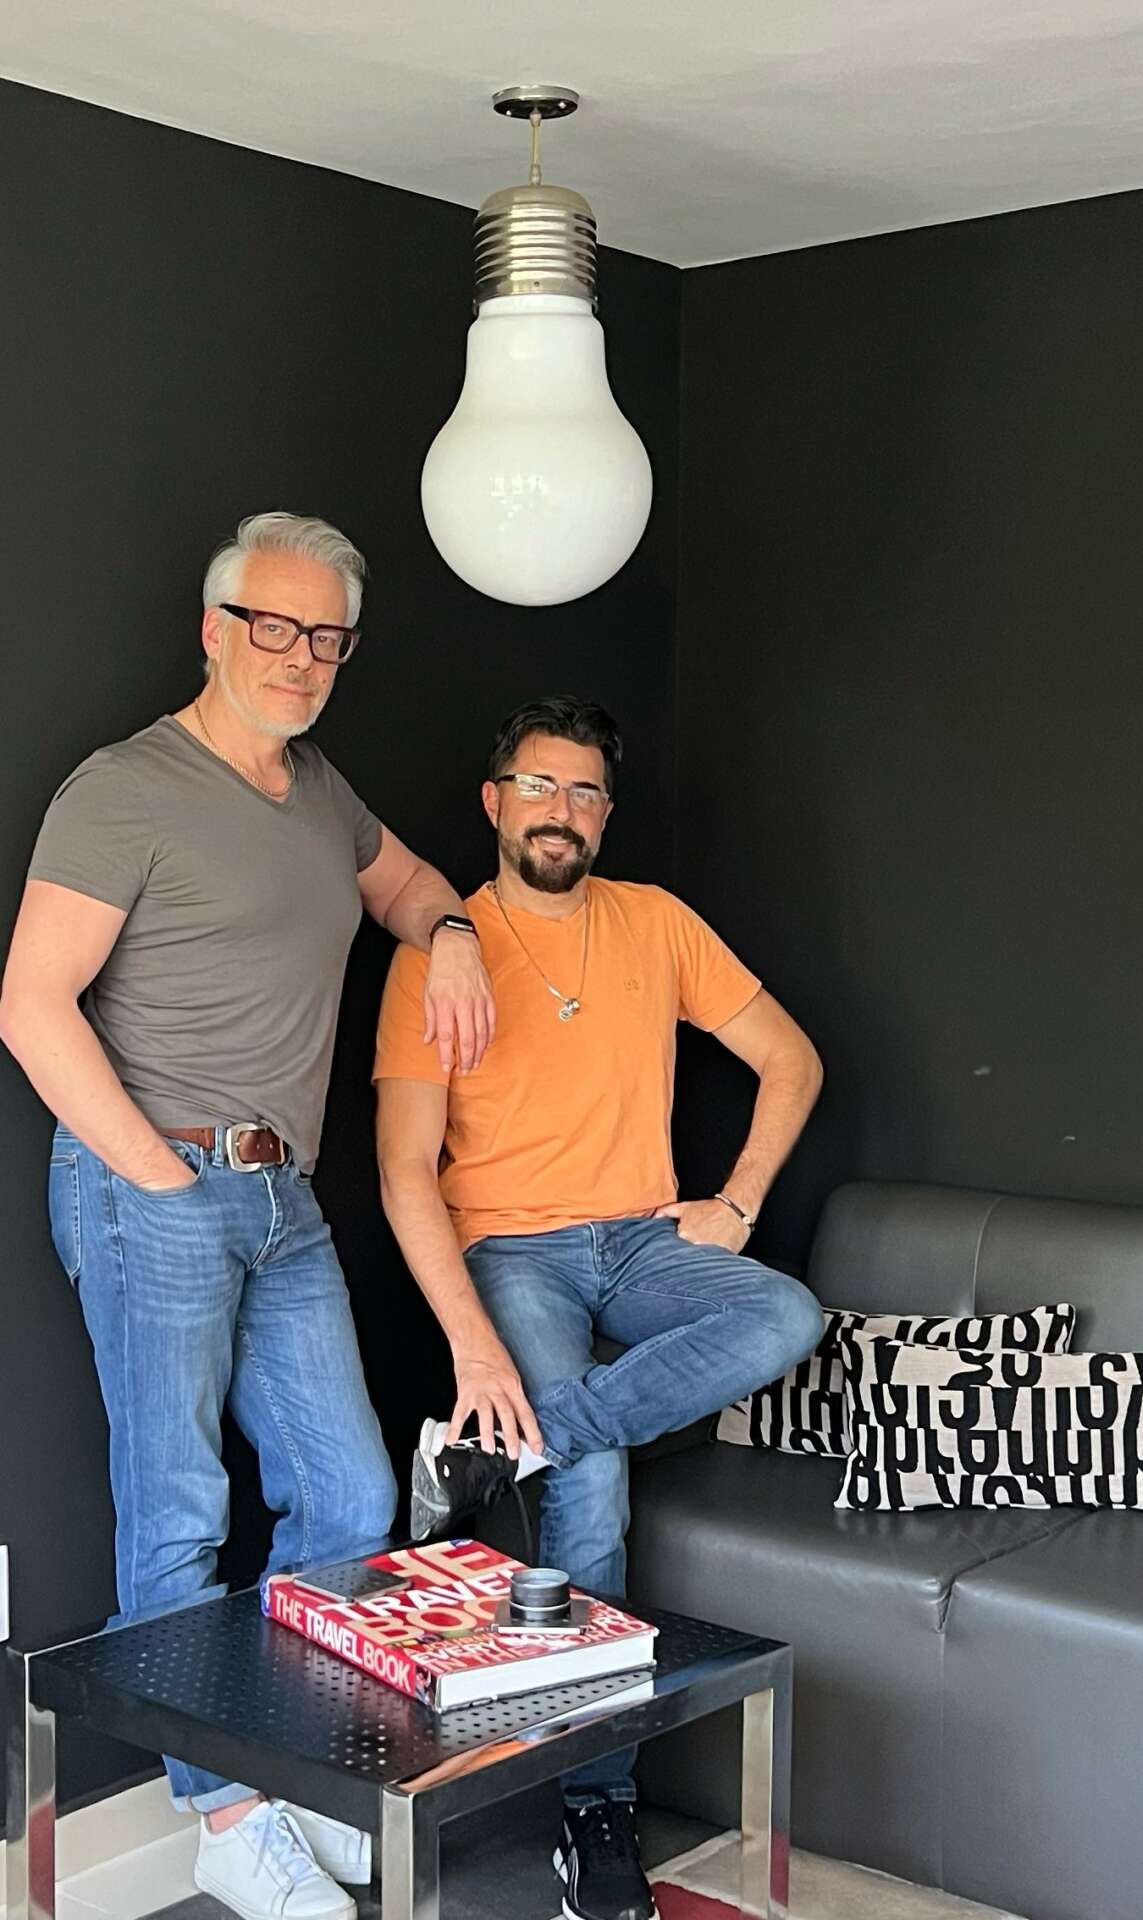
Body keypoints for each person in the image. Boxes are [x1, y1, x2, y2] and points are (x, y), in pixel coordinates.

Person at [0, 513, 496, 1920]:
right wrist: (157, 1178)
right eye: (274, 628)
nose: (300, 658)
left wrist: (454, 933)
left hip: (283, 1197)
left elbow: (408, 886)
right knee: (177, 1514)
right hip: (152, 1183)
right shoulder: (126, 788)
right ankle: (222, 1814)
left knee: (348, 1496)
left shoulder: (318, 791)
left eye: (326, 638)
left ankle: (286, 1767)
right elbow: (30, 1006)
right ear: (215, 631)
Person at [372, 694, 825, 1920]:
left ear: (606, 814)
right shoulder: (437, 955)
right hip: (511, 1248)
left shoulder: (655, 921)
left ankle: (511, 1447)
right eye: (538, 785)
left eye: (583, 792)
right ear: (494, 801)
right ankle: (598, 1802)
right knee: (594, 1492)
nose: (559, 811)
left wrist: (735, 1201)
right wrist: (473, 1345)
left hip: (643, 1237)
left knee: (786, 1318)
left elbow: (792, 1058)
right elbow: (404, 1171)